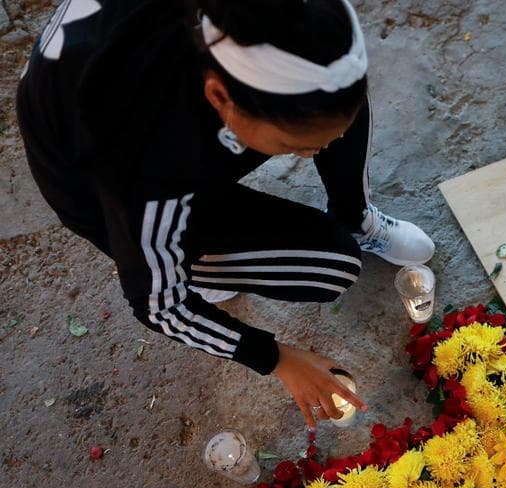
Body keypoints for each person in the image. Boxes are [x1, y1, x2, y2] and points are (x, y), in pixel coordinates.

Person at [16, 0, 436, 429]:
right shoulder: (149, 164)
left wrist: (322, 130)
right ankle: (196, 266)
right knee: (330, 268)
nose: (314, 153)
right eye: (293, 145)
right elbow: (158, 304)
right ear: (219, 97)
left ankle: (354, 215)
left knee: (329, 96)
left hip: (179, 100)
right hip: (93, 182)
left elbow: (327, 95)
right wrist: (277, 358)